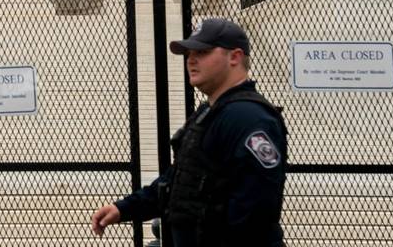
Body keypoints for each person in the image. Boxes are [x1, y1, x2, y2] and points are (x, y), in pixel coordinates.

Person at [90, 18, 289, 246]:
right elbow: (178, 182)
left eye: (202, 52)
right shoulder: (210, 112)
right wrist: (124, 208)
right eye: (189, 53)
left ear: (235, 57)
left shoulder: (250, 118)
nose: (191, 59)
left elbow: (255, 210)